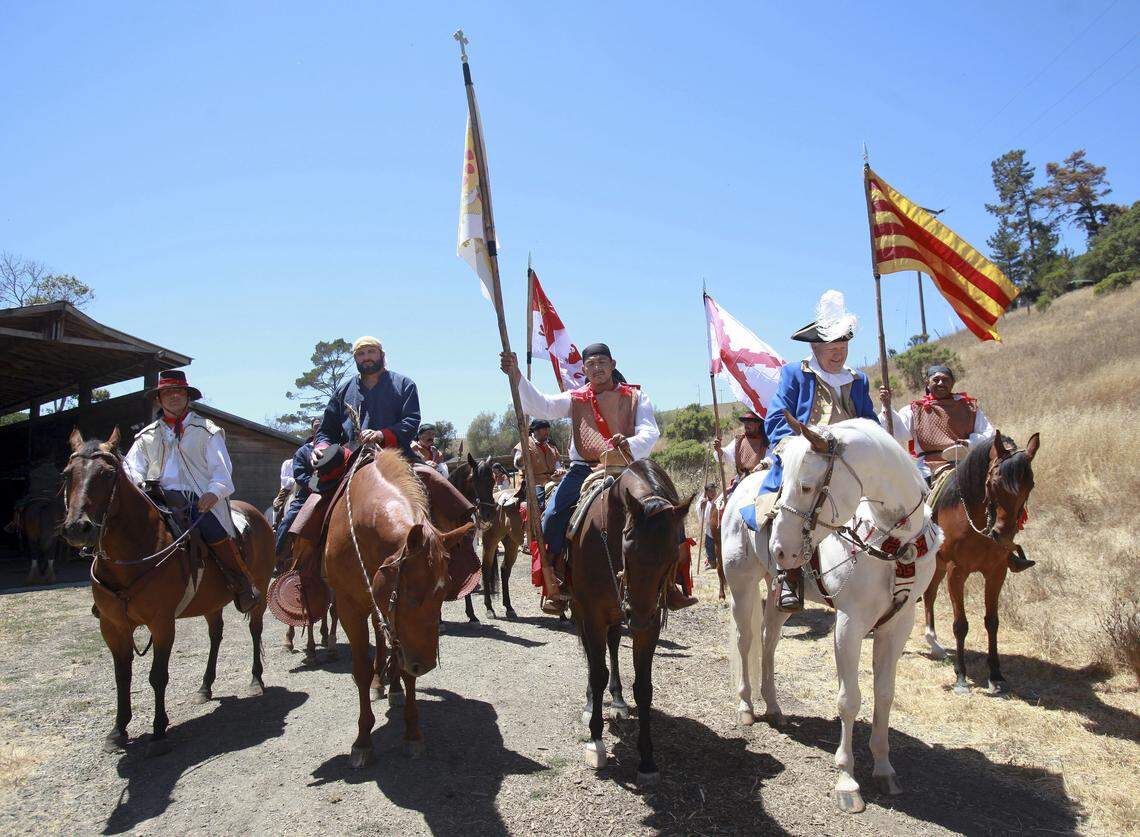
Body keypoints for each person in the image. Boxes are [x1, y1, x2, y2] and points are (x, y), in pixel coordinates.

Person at [501, 342, 667, 613]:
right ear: (584, 370)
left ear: (613, 365)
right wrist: (516, 375)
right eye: (591, 364)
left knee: (664, 509)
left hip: (626, 465)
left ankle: (670, 582)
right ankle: (554, 576)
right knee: (552, 516)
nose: (597, 368)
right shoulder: (575, 398)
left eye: (602, 362)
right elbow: (541, 405)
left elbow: (650, 431)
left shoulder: (637, 396)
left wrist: (628, 443)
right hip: (583, 468)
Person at [759, 290, 881, 612]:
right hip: (808, 453)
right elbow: (776, 417)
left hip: (850, 457)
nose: (839, 353)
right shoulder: (794, 373)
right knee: (793, 502)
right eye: (832, 347)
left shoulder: (858, 380)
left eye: (843, 346)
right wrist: (794, 447)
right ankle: (790, 574)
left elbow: (868, 420)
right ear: (815, 346)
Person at [123, 370, 259, 613]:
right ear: (158, 399)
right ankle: (110, 592)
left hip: (195, 499)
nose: (173, 396)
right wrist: (137, 485)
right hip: (154, 496)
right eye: (167, 392)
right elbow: (131, 468)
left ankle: (240, 581)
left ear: (187, 397)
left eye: (179, 391)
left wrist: (214, 491)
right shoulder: (146, 436)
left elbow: (222, 469)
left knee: (211, 528)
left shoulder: (206, 430)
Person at [879, 365, 1032, 573]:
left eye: (945, 379)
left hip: (968, 464)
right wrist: (886, 407)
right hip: (931, 466)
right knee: (913, 505)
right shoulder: (914, 409)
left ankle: (1005, 550)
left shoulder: (968, 407)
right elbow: (897, 431)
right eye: (936, 379)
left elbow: (988, 433)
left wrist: (969, 443)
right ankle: (909, 554)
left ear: (952, 383)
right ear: (927, 383)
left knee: (999, 495)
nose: (941, 383)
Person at [275, 418, 321, 557]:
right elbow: (299, 475)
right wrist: (315, 484)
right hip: (307, 494)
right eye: (316, 426)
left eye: (322, 426)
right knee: (288, 520)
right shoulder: (303, 452)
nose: (319, 429)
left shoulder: (336, 447)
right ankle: (277, 555)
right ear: (312, 429)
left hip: (332, 490)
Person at [513, 418, 561, 508]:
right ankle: (540, 520)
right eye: (545, 429)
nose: (547, 432)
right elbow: (518, 465)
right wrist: (523, 455)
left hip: (553, 480)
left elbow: (557, 465)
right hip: (534, 482)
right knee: (540, 504)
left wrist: (559, 470)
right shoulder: (524, 444)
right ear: (536, 431)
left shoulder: (551, 446)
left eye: (548, 429)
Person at [714, 410, 769, 486]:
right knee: (724, 497)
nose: (746, 425)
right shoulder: (740, 439)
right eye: (745, 423)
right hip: (741, 480)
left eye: (749, 423)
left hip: (761, 480)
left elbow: (771, 460)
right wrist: (719, 450)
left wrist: (761, 466)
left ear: (758, 424)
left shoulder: (766, 441)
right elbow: (727, 454)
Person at [697, 482, 719, 570]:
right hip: (709, 528)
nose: (713, 493)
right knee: (709, 545)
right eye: (710, 491)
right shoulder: (704, 502)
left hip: (718, 527)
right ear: (707, 493)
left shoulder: (718, 500)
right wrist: (702, 507)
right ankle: (711, 562)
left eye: (714, 491)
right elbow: (702, 516)